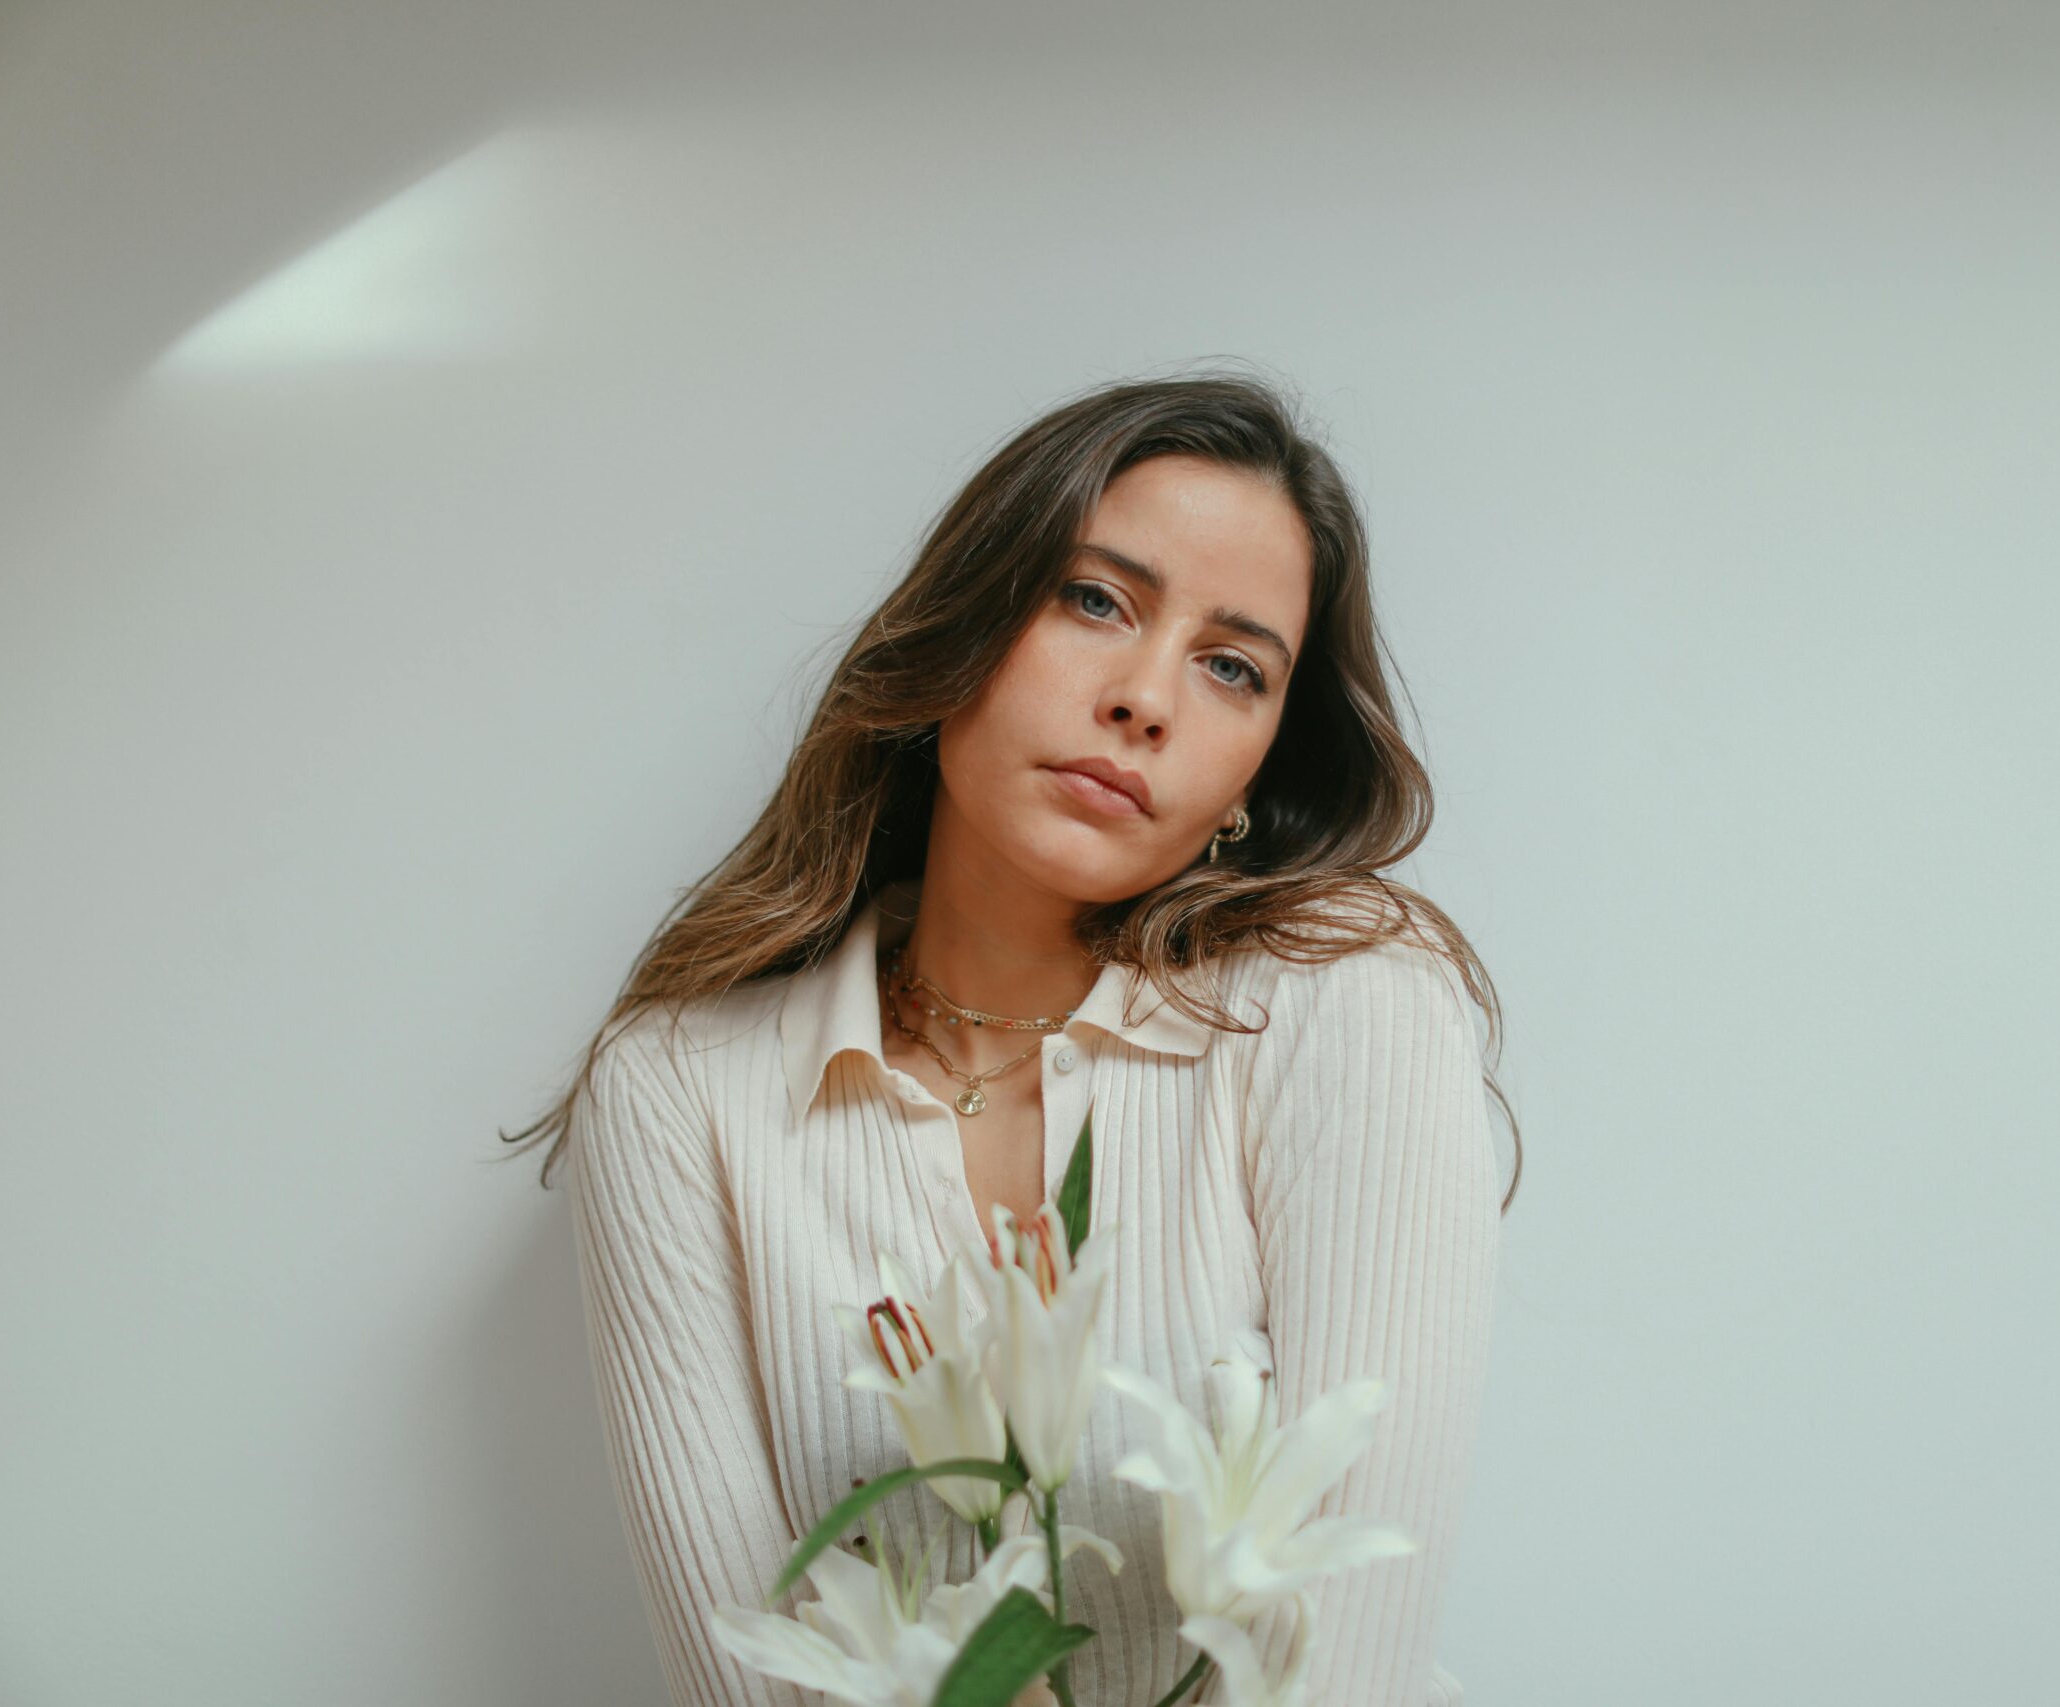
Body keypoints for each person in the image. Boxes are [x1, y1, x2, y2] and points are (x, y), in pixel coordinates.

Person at [504, 369, 1522, 1707]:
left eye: (1232, 666)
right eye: (1096, 599)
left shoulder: (1348, 999)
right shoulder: (682, 1093)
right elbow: (749, 1675)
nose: (1147, 698)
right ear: (960, 634)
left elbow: (1352, 1653)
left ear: (1254, 771)